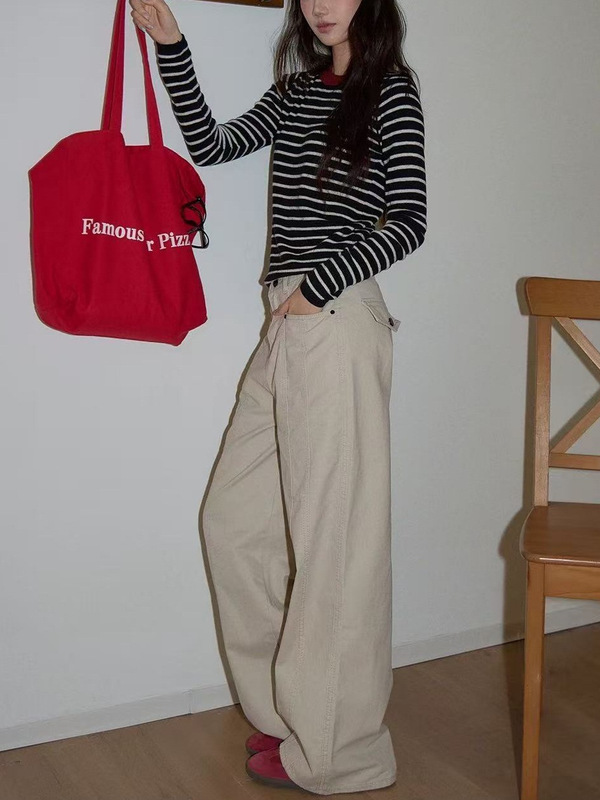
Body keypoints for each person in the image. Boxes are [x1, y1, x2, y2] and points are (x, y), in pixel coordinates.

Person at [130, 0, 426, 793]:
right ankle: (293, 716)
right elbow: (212, 144)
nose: (322, 5)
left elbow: (409, 219)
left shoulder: (390, 89)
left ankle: (344, 753)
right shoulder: (296, 93)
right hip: (289, 323)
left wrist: (316, 289)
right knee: (235, 521)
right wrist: (173, 45)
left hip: (334, 316)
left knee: (336, 543)